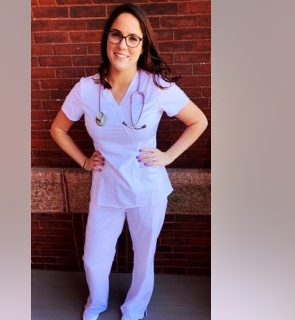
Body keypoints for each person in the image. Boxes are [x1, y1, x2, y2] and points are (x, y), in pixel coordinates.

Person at [50, 3, 208, 320]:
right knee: (94, 257)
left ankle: (135, 308)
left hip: (147, 188)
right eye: (117, 35)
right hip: (106, 187)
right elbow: (58, 129)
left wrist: (168, 156)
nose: (123, 45)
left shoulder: (157, 87)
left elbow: (198, 121)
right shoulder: (86, 89)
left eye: (132, 38)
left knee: (143, 255)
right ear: (106, 39)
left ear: (142, 45)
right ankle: (96, 302)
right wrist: (83, 161)